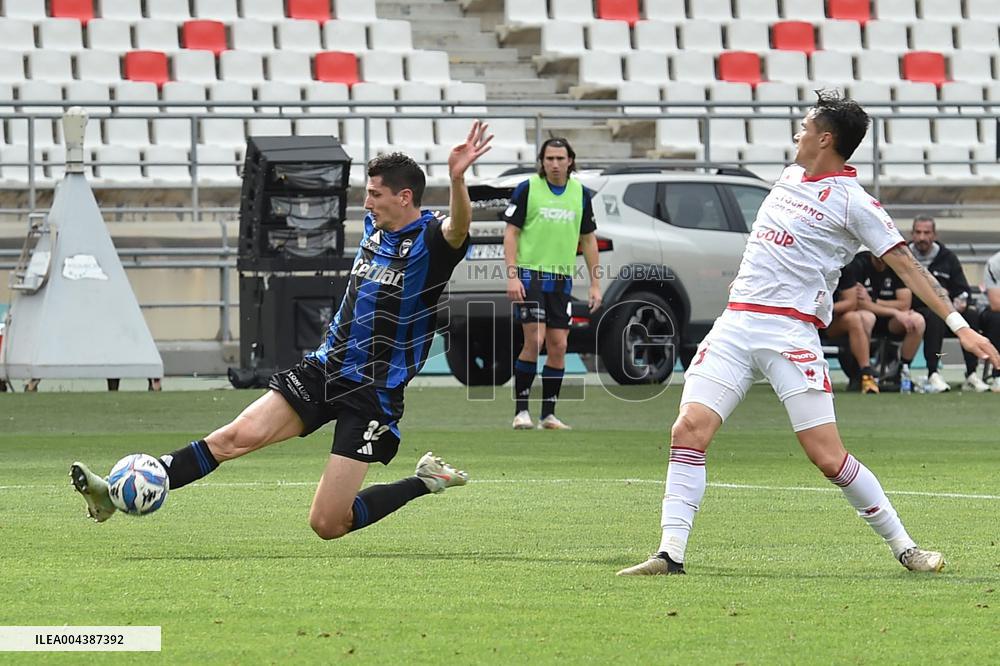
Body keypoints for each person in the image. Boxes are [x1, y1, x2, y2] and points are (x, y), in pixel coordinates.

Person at [617, 91, 1000, 577]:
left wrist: (961, 327)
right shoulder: (790, 175)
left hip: (790, 333)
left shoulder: (854, 203)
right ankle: (670, 553)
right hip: (736, 324)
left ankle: (906, 548)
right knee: (688, 431)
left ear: (825, 138)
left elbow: (907, 266)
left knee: (827, 457)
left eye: (804, 126)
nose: (796, 134)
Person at [70, 122, 494, 538]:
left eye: (375, 195)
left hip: (372, 392)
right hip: (324, 370)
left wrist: (457, 179)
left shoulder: (430, 243)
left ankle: (425, 480)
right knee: (232, 439)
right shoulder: (375, 228)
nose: (366, 203)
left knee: (328, 524)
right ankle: (110, 495)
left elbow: (457, 229)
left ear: (405, 197)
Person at [503, 137, 602, 431]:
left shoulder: (580, 194)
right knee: (534, 340)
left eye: (560, 158)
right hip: (531, 275)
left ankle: (548, 415)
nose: (555, 164)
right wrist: (511, 275)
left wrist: (595, 284)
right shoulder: (527, 189)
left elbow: (588, 239)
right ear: (542, 162)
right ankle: (521, 412)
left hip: (561, 280)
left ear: (570, 160)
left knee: (559, 345)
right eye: (549, 159)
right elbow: (511, 233)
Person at [908, 215, 985, 393]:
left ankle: (972, 374)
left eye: (926, 233)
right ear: (912, 234)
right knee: (935, 316)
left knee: (971, 314)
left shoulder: (948, 257)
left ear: (934, 235)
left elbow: (962, 289)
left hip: (947, 310)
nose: (922, 237)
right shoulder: (904, 257)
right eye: (918, 232)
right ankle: (933, 373)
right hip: (918, 310)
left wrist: (961, 302)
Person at [855, 251, 926, 391]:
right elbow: (859, 303)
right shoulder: (859, 263)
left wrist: (874, 301)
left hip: (892, 322)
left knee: (917, 321)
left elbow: (905, 304)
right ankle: (864, 374)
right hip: (867, 318)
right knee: (866, 318)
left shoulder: (897, 264)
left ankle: (901, 370)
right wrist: (894, 310)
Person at [821, 258, 877, 392]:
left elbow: (851, 302)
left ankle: (865, 373)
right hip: (804, 320)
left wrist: (825, 308)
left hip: (828, 321)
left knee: (855, 318)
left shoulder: (843, 266)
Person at [980, 249, 1000, 392]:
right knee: (997, 318)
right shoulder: (995, 263)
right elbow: (996, 304)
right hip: (989, 311)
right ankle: (998, 375)